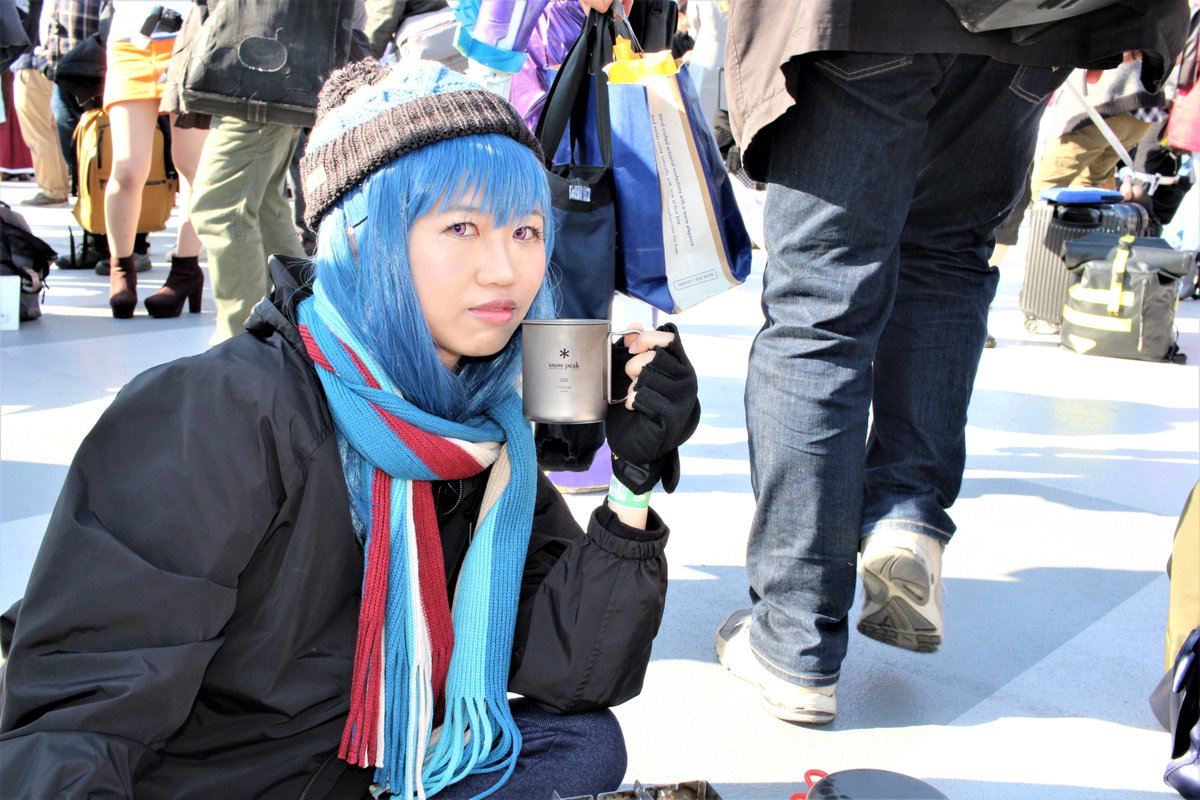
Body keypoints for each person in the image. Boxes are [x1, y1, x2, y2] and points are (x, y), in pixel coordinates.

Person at [0, 59, 700, 799]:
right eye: (462, 226)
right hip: (217, 777)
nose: (504, 268)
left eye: (526, 229)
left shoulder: (482, 424)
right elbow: (86, 705)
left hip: (367, 766)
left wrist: (632, 482)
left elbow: (572, 670)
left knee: (585, 743)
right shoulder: (219, 410)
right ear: (364, 238)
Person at [714, 0, 1190, 725]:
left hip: (859, 20)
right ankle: (907, 515)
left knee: (821, 309)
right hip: (1024, 27)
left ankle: (795, 638)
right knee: (945, 260)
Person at [101, 0, 207, 318]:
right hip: (131, 40)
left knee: (191, 166)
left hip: (191, 38)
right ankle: (121, 269)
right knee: (127, 168)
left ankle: (185, 270)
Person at [12, 0, 71, 206]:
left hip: (32, 62)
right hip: (50, 62)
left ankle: (52, 190)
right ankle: (59, 186)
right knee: (51, 129)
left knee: (38, 131)